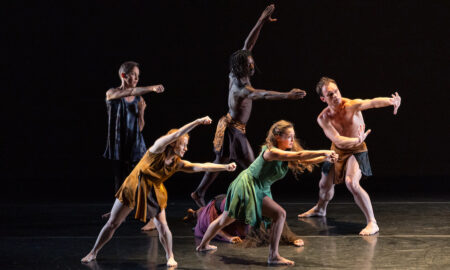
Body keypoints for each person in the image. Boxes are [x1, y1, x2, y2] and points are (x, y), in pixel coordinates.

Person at [191, 4, 306, 207]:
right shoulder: (240, 87)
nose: (252, 65)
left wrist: (261, 21)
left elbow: (248, 43)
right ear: (242, 67)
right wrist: (287, 95)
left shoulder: (239, 68)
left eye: (252, 62)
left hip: (237, 130)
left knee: (234, 164)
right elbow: (262, 94)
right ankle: (252, 200)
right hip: (231, 130)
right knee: (239, 165)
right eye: (249, 64)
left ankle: (205, 194)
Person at [82, 116, 237, 267]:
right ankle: (93, 252)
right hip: (133, 186)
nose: (186, 148)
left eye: (186, 145)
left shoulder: (177, 164)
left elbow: (201, 166)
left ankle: (170, 256)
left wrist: (224, 167)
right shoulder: (157, 149)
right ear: (173, 143)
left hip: (153, 191)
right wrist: (197, 121)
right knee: (112, 224)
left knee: (163, 226)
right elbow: (176, 134)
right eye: (183, 144)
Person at [196, 120, 339, 265]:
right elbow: (301, 155)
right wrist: (325, 151)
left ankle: (202, 246)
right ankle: (273, 256)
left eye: (293, 137)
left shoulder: (284, 153)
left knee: (227, 219)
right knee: (277, 214)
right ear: (278, 136)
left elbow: (302, 159)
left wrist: (325, 158)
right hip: (248, 185)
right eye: (289, 136)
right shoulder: (271, 152)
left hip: (260, 187)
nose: (292, 140)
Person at [298, 77, 401, 236]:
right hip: (337, 149)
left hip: (357, 150)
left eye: (336, 91)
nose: (336, 96)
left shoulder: (351, 105)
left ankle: (372, 222)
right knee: (324, 185)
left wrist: (391, 101)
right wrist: (355, 139)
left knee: (351, 182)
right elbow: (338, 139)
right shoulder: (323, 118)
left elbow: (372, 102)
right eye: (330, 94)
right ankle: (320, 208)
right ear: (323, 98)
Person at [103, 61, 164, 230]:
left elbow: (140, 127)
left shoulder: (139, 98)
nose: (137, 78)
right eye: (134, 75)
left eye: (138, 76)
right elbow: (129, 91)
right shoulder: (111, 93)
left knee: (143, 180)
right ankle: (117, 214)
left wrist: (142, 112)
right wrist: (152, 88)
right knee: (120, 181)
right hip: (118, 146)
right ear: (124, 76)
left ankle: (152, 217)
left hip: (135, 146)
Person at [185, 194, 304, 247]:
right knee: (202, 216)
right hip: (217, 208)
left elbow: (277, 219)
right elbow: (215, 225)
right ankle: (194, 214)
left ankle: (193, 213)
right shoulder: (233, 209)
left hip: (233, 209)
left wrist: (291, 239)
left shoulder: (256, 208)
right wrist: (228, 238)